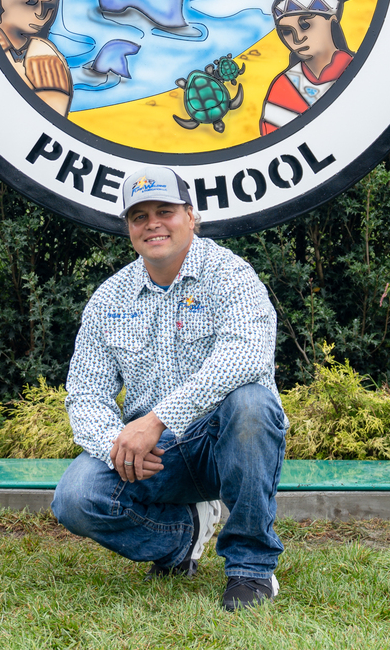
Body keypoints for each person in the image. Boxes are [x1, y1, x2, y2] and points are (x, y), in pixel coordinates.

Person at [52, 165, 288, 611]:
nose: (153, 224)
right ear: (128, 228)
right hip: (157, 459)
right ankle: (183, 537)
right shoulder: (109, 299)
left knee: (252, 403)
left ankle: (250, 571)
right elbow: (85, 392)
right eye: (139, 216)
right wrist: (114, 445)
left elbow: (246, 357)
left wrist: (156, 422)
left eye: (165, 210)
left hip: (225, 443)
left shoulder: (230, 274)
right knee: (75, 497)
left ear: (191, 216)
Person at [246, 0, 360, 135]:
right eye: (287, 32)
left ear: (332, 19)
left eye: (306, 25)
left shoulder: (358, 71)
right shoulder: (283, 87)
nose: (296, 39)